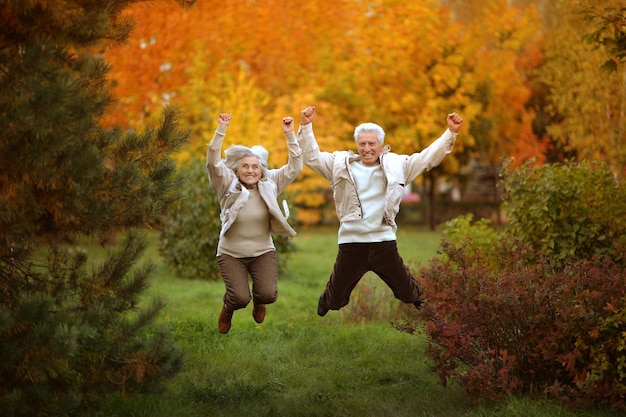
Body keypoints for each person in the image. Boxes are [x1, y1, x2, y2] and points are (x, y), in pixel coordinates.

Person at [297, 106, 463, 316]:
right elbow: (311, 157)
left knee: (407, 292)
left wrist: (451, 133)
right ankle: (327, 299)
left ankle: (419, 298)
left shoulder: (397, 165)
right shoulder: (339, 165)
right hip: (351, 244)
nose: (367, 148)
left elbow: (426, 158)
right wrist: (306, 125)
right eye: (362, 143)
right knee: (336, 300)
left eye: (371, 143)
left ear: (381, 145)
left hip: (383, 242)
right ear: (357, 145)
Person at [206, 113, 303, 333]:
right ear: (237, 170)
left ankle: (260, 301)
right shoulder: (226, 186)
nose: (251, 171)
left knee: (267, 294)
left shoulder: (270, 183)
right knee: (239, 298)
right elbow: (212, 161)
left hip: (262, 251)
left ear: (261, 170)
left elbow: (295, 167)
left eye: (255, 167)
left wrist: (289, 135)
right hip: (231, 253)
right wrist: (221, 129)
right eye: (245, 166)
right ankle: (228, 309)